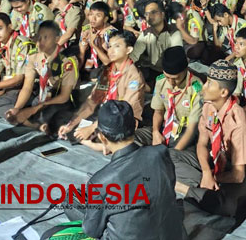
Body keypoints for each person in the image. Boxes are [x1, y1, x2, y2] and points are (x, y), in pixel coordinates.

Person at [74, 100, 184, 240]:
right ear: (136, 125)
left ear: (102, 136)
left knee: (71, 201)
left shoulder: (100, 181)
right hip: (173, 235)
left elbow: (92, 231)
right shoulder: (161, 153)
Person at [170, 60, 246, 221]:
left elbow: (238, 175)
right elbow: (202, 143)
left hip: (241, 169)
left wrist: (212, 177)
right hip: (216, 158)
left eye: (209, 84)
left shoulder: (238, 121)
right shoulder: (209, 106)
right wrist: (206, 172)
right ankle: (205, 188)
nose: (204, 87)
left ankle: (184, 187)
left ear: (224, 93)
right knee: (167, 155)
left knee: (227, 207)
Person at [57, 31, 143, 144]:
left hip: (122, 123)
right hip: (104, 118)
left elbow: (123, 113)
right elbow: (92, 102)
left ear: (129, 50)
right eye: (110, 46)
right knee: (68, 127)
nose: (111, 51)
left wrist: (92, 128)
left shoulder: (134, 77)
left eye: (117, 46)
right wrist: (71, 124)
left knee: (98, 140)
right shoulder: (108, 71)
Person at [4, 21, 79, 135]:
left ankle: (38, 124)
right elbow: (27, 87)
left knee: (45, 116)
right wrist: (17, 108)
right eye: (39, 37)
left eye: (45, 38)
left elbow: (64, 96)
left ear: (57, 39)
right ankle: (34, 121)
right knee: (6, 107)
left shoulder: (67, 61)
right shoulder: (34, 56)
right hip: (42, 95)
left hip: (61, 100)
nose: (40, 42)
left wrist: (33, 110)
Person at [135, 46, 202, 151]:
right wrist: (156, 131)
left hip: (183, 132)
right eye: (167, 77)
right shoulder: (161, 81)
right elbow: (158, 111)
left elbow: (192, 128)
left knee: (170, 156)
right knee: (130, 139)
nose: (171, 82)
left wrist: (173, 151)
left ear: (185, 69)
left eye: (175, 78)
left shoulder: (196, 88)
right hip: (164, 127)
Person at [0, 13, 36, 118]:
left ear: (10, 27)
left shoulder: (22, 45)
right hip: (8, 81)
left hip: (28, 85)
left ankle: (24, 114)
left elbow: (19, 79)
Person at [130, 0, 183, 84]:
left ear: (162, 14)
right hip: (154, 72)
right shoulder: (145, 34)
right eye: (147, 14)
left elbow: (175, 61)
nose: (150, 16)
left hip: (173, 75)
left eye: (153, 12)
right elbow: (133, 57)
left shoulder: (174, 33)